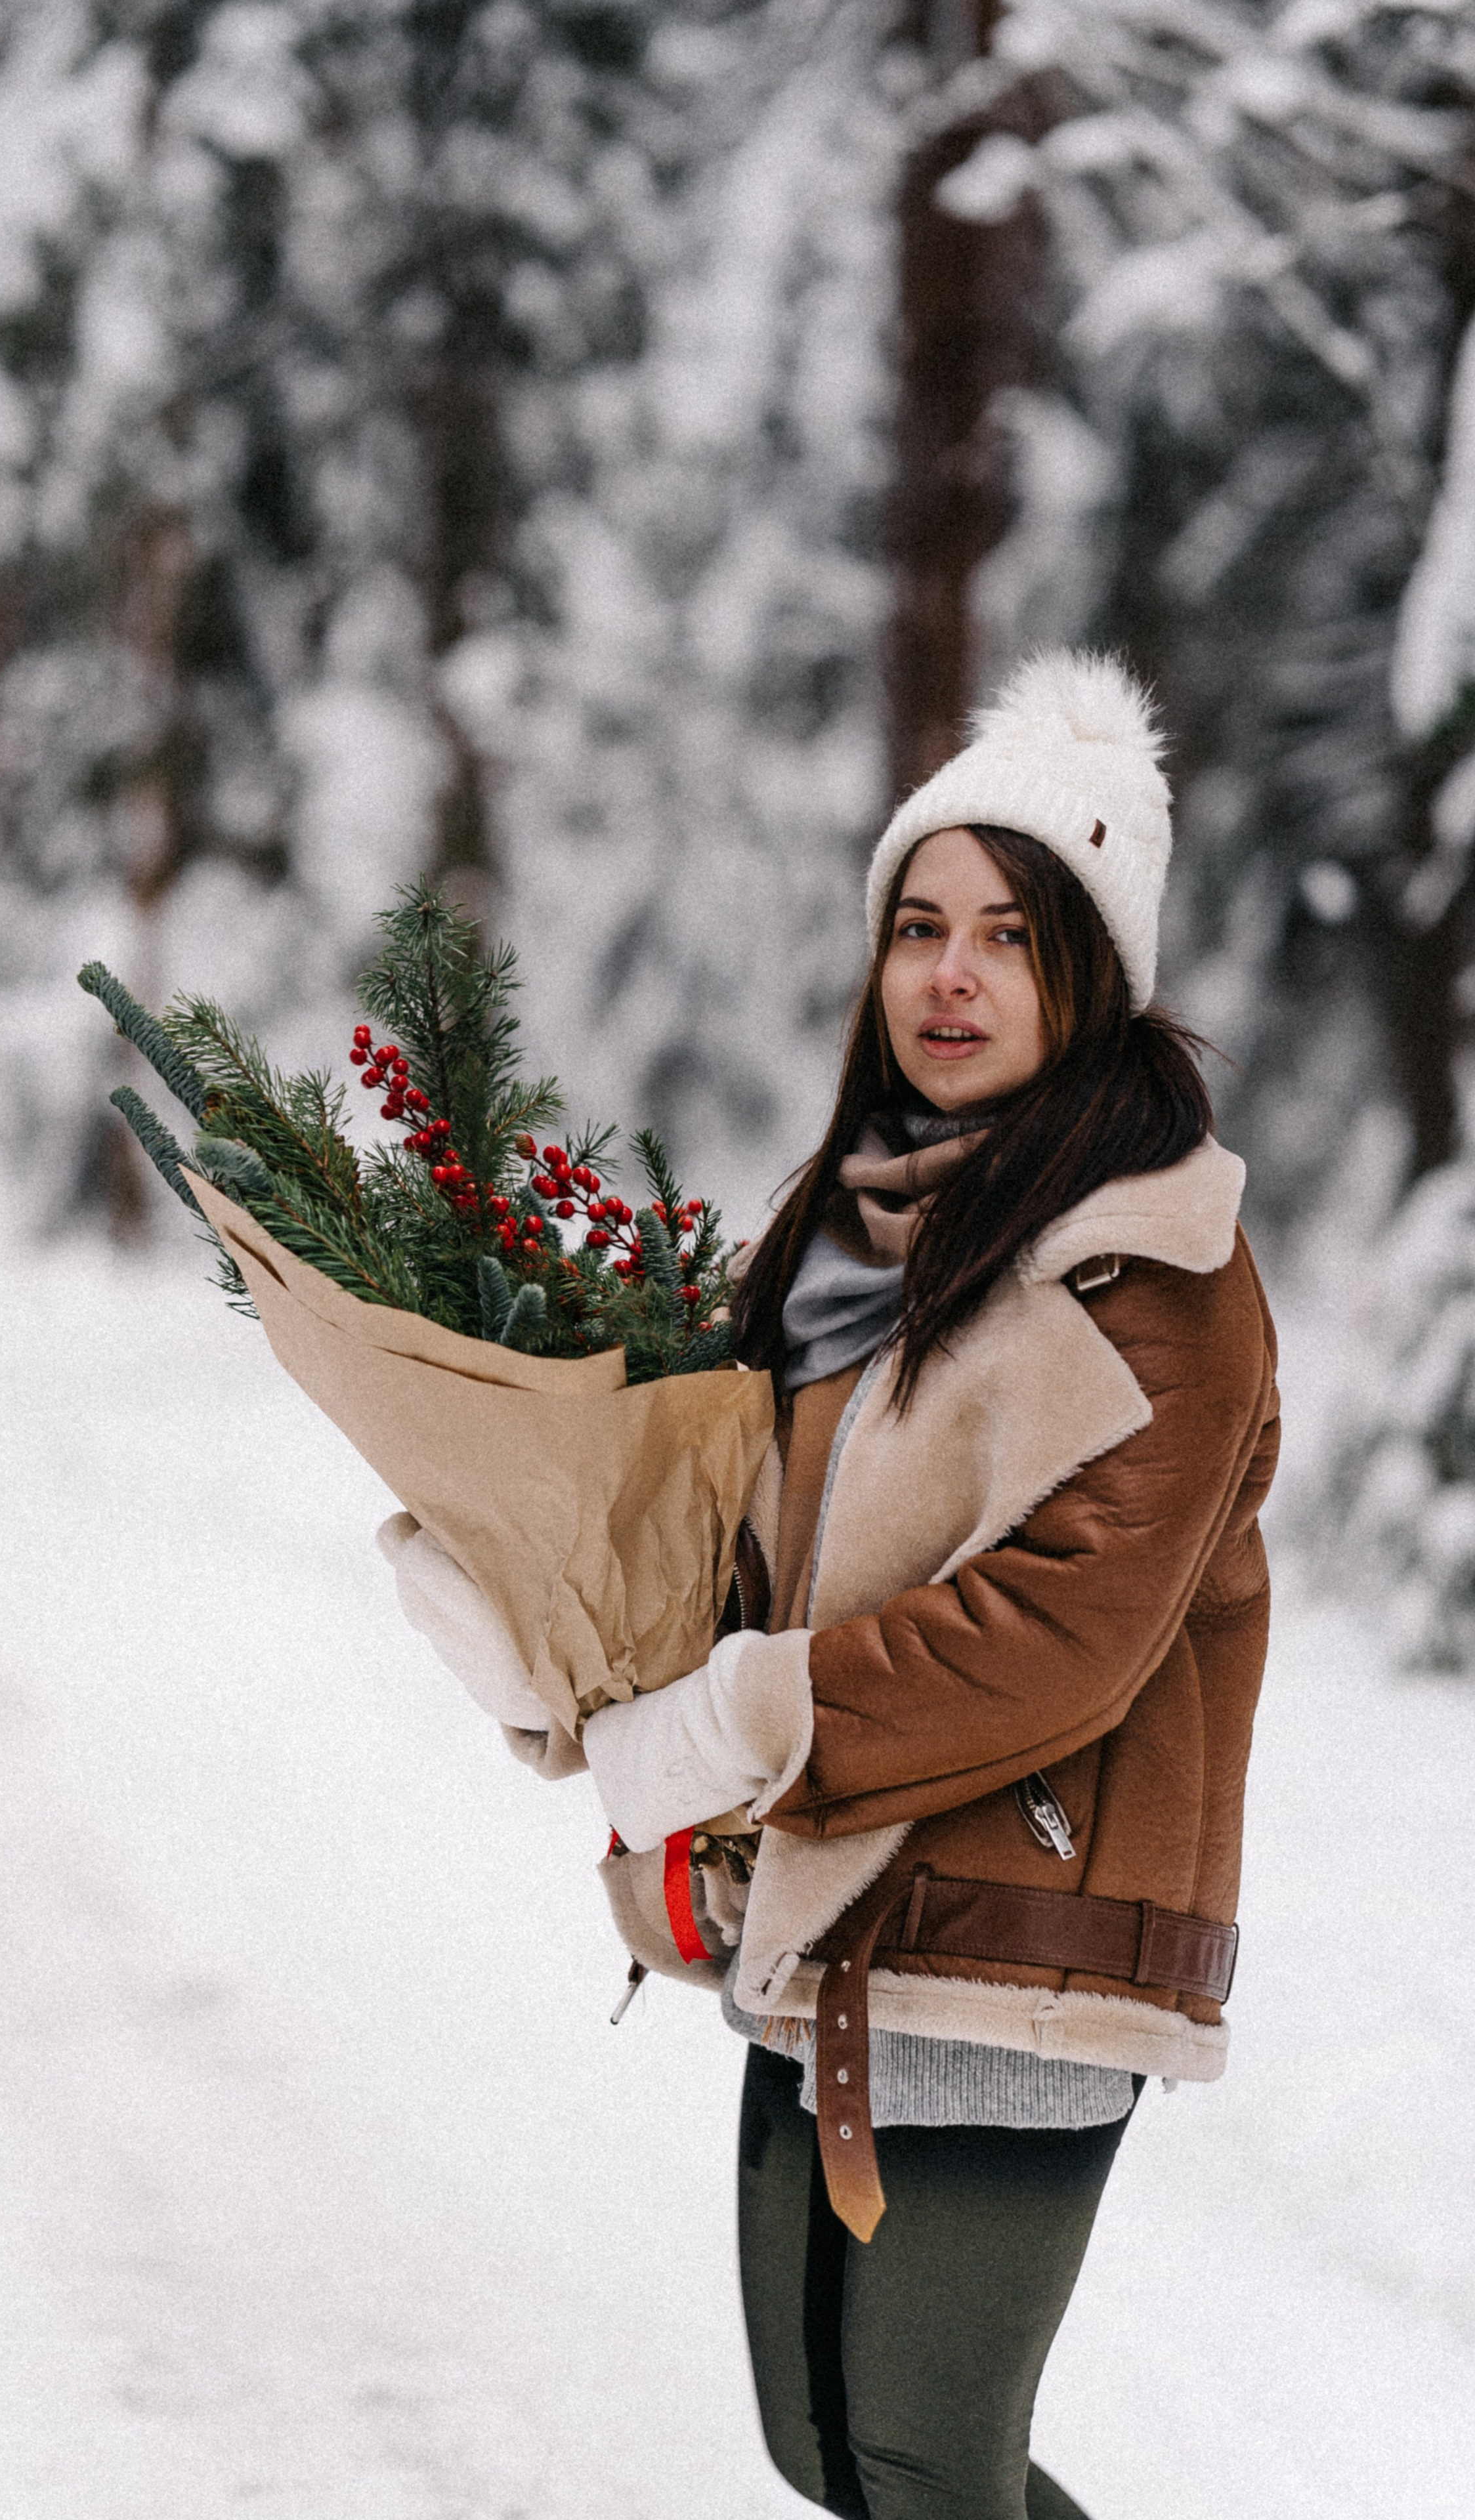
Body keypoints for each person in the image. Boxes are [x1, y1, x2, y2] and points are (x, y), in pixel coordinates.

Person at [384, 650, 1279, 2520]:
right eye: (919, 928)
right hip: (841, 1909)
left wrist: (736, 1726)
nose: (950, 977)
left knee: (923, 2464)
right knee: (823, 2450)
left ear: (1090, 977)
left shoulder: (1164, 1274)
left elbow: (1059, 1638)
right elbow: (743, 1533)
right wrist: (538, 1602)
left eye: (1010, 939)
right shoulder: (846, 1228)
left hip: (1023, 1939)